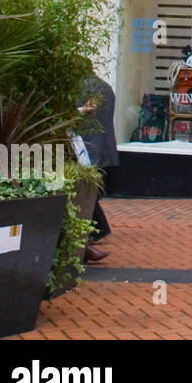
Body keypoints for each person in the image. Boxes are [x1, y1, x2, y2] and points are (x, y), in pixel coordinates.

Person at [75, 61, 119, 264]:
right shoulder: (104, 87)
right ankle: (98, 229)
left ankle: (98, 229)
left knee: (87, 189)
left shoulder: (84, 87)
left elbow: (83, 112)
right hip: (102, 144)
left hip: (88, 144)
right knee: (92, 188)